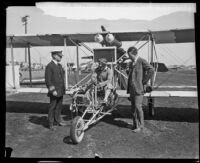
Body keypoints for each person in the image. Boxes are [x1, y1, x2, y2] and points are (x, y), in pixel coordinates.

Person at [127, 46, 154, 133]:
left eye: (130, 55)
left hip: (139, 89)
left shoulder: (141, 61)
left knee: (138, 107)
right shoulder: (131, 63)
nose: (129, 57)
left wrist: (144, 81)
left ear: (134, 54)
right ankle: (135, 125)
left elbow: (151, 70)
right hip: (132, 89)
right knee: (133, 108)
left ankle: (141, 126)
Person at [45, 51, 67, 130]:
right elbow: (48, 80)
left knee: (59, 107)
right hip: (54, 91)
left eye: (61, 56)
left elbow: (60, 77)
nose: (61, 57)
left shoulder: (59, 65)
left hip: (60, 90)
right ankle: (51, 124)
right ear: (54, 56)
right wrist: (52, 90)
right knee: (52, 107)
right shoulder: (49, 66)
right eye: (59, 56)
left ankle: (58, 120)